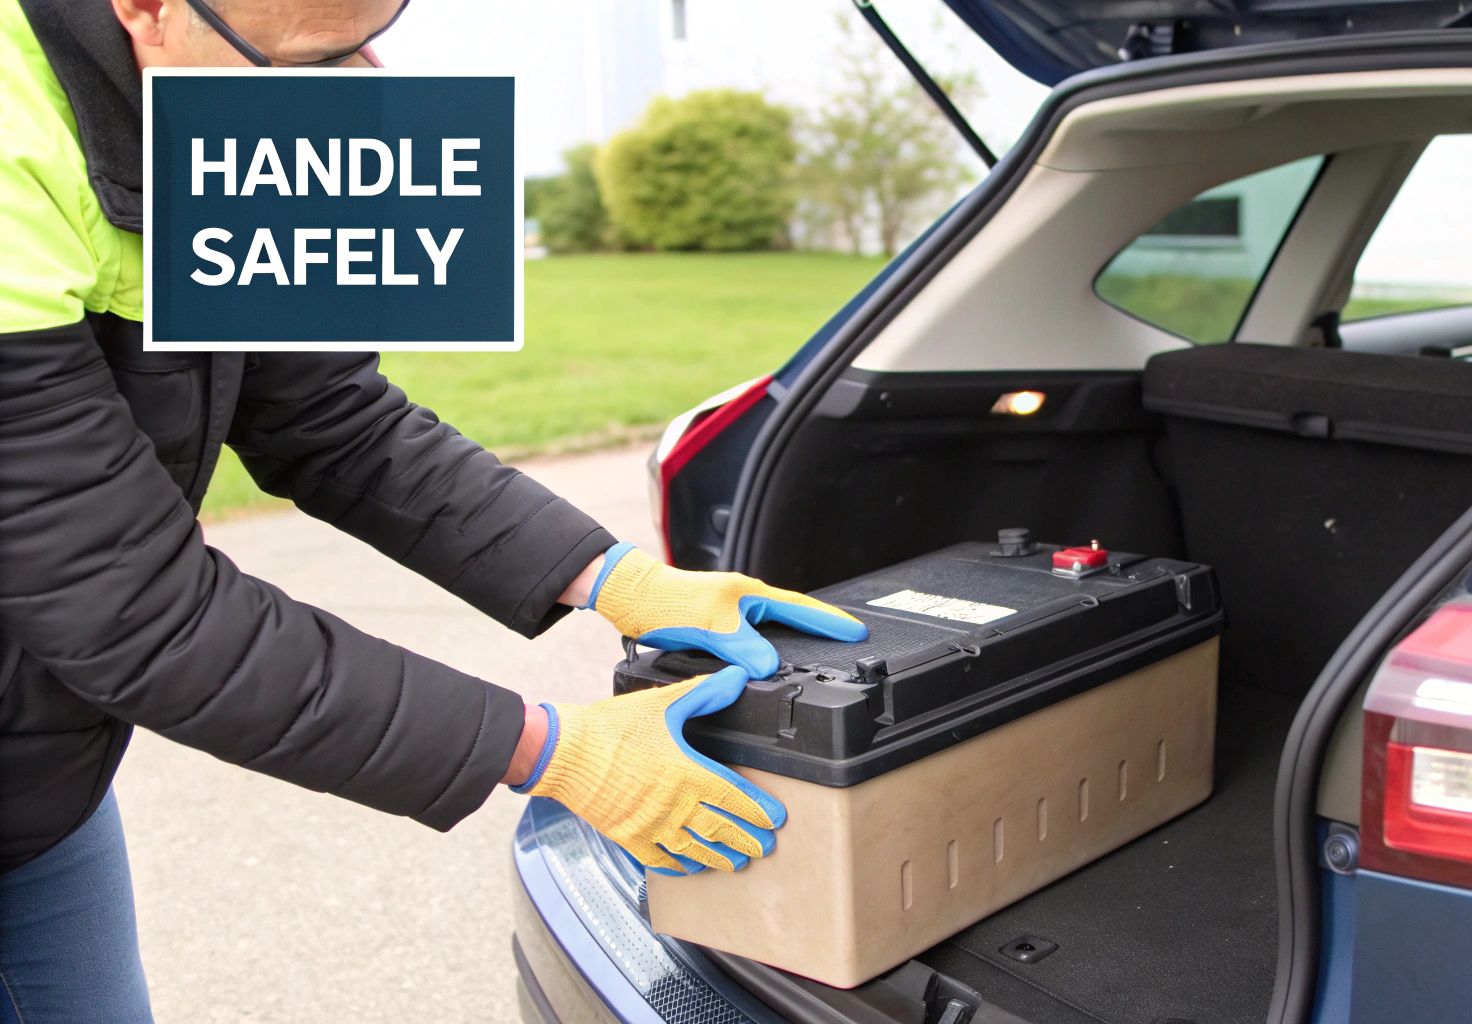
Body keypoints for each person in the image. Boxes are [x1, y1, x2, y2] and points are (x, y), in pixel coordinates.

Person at [0, 1, 866, 1020]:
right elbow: (145, 616)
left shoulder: (212, 101)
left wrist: (613, 575)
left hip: (39, 777)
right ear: (146, 9)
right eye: (320, 59)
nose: (366, 76)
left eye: (375, 34)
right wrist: (554, 748)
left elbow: (328, 417)